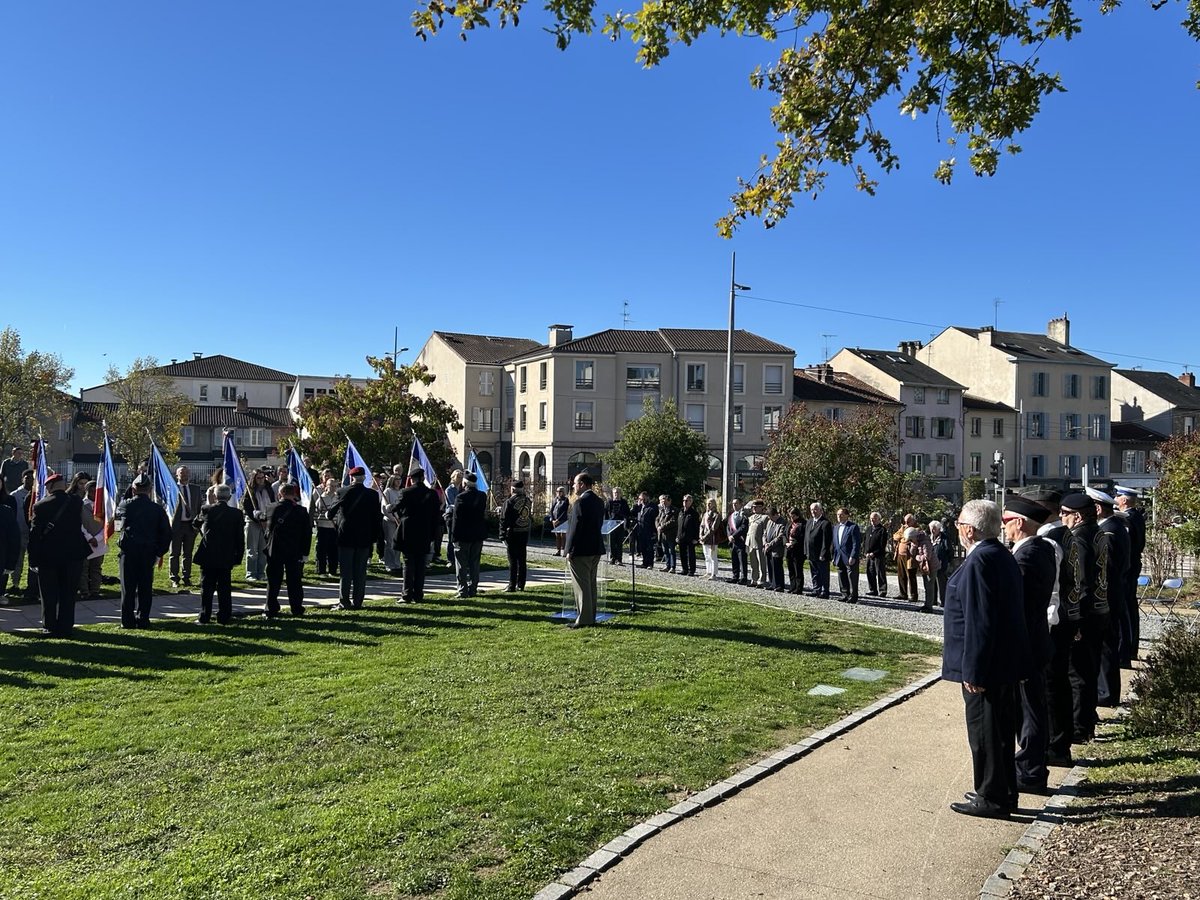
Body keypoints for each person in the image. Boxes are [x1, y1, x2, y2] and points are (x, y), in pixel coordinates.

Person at [943, 499, 1032, 819]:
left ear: (969, 529)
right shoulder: (999, 555)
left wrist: (974, 671)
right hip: (1003, 662)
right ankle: (1001, 790)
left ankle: (992, 796)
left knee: (986, 733)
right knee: (999, 732)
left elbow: (980, 621)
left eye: (958, 525)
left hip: (987, 666)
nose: (957, 531)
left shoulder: (982, 560)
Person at [1003, 496, 1059, 794]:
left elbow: (1019, 607)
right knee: (1031, 708)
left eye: (1005, 522)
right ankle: (1030, 765)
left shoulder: (1026, 556)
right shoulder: (1038, 549)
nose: (1004, 528)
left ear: (1019, 523)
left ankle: (1031, 771)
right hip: (1035, 641)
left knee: (1030, 711)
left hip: (1027, 644)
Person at [1057, 492, 1109, 746]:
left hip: (1086, 614)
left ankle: (1080, 726)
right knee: (1088, 669)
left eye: (1064, 514)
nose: (1061, 517)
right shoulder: (1097, 532)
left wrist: (1075, 618)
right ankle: (1087, 722)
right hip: (1100, 610)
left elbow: (1081, 582)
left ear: (1077, 516)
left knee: (1077, 673)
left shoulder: (1078, 538)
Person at [26, 473, 93, 637]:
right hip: (73, 555)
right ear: (63, 485)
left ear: (49, 487)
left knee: (49, 594)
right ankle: (66, 626)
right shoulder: (76, 502)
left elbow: (35, 535)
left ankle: (49, 625)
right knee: (69, 593)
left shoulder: (40, 506)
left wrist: (33, 558)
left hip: (48, 556)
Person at [115, 473, 172, 629]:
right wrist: (159, 553)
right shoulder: (157, 509)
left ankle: (127, 621)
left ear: (134, 489)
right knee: (145, 588)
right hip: (148, 552)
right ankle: (143, 619)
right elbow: (166, 534)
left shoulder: (125, 505)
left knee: (128, 588)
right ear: (149, 489)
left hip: (129, 552)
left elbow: (117, 524)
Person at [1090, 487, 1130, 711]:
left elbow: (1106, 570)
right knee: (1107, 645)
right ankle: (1106, 690)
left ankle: (1106, 692)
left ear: (1097, 508)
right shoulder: (1113, 528)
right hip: (1111, 595)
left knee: (1106, 646)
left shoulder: (1108, 533)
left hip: (1106, 597)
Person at [328, 466, 383, 609]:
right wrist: (375, 537)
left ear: (351, 478)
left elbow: (330, 514)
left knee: (346, 572)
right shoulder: (372, 494)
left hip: (346, 536)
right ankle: (358, 601)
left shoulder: (342, 491)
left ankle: (344, 601)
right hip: (365, 537)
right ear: (364, 478)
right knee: (360, 572)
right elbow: (377, 518)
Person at [391, 467, 442, 602]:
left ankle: (406, 594)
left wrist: (390, 507)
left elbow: (396, 507)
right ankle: (418, 594)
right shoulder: (431, 494)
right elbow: (436, 515)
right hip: (425, 531)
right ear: (423, 478)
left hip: (408, 532)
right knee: (421, 565)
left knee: (408, 564)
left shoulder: (406, 492)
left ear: (412, 479)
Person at [264, 483, 312, 618]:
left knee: (273, 581)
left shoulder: (271, 508)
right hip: (294, 550)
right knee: (295, 581)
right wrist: (305, 552)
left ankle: (271, 608)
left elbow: (268, 530)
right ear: (294, 494)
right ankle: (296, 608)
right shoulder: (301, 511)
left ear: (281, 494)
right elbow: (307, 534)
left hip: (276, 549)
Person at [564, 471, 605, 627]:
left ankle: (584, 619)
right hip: (595, 547)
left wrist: (568, 550)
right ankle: (591, 616)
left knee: (582, 587)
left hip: (581, 550)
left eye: (575, 483)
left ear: (582, 484)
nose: (573, 486)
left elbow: (575, 529)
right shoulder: (599, 501)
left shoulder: (580, 503)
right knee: (590, 586)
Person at [1114, 486, 1145, 664]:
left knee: (1125, 611)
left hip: (1128, 570)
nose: (1115, 499)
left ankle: (1126, 650)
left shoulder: (1128, 519)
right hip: (1132, 568)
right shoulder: (1136, 517)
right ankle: (1130, 648)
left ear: (1124, 500)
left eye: (1117, 496)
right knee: (1130, 610)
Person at [449, 472, 487, 598]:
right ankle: (473, 588)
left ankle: (462, 589)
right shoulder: (482, 496)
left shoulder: (460, 497)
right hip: (477, 534)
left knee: (461, 564)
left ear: (464, 483)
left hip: (463, 535)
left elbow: (456, 519)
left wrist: (453, 536)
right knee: (474, 563)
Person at [169, 465, 205, 589]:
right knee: (174, 553)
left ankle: (186, 577)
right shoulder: (172, 489)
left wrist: (198, 523)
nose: (184, 476)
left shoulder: (195, 489)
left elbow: (200, 507)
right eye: (181, 473)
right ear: (177, 475)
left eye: (186, 473)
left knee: (188, 554)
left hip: (191, 527)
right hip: (176, 526)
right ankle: (174, 578)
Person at [241, 468, 276, 582]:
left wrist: (268, 520)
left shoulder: (269, 489)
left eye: (262, 478)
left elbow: (272, 504)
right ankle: (251, 573)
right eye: (258, 478)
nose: (261, 480)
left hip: (267, 523)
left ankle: (261, 572)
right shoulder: (250, 491)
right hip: (253, 523)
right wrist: (258, 519)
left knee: (263, 550)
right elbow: (247, 508)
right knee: (252, 550)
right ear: (254, 479)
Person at [499, 479, 533, 592]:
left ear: (512, 489)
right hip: (524, 532)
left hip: (513, 533)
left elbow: (503, 520)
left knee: (513, 561)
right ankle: (521, 584)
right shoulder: (528, 500)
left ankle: (512, 585)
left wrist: (502, 535)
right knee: (522, 560)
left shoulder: (510, 502)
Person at [77, 479, 105, 601]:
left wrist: (98, 538)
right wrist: (89, 537)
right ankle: (84, 591)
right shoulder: (81, 505)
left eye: (96, 491)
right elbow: (79, 524)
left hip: (99, 541)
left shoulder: (103, 506)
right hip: (85, 541)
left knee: (96, 568)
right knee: (83, 568)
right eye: (91, 491)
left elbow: (107, 524)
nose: (94, 493)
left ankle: (95, 590)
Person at [7, 470, 33, 597]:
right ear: (22, 479)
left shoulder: (39, 494)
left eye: (32, 478)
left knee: (33, 561)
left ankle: (32, 586)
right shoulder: (15, 495)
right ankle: (15, 584)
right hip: (19, 532)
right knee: (18, 560)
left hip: (33, 533)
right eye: (27, 478)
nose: (29, 480)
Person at [832, 507, 861, 603]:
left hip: (849, 556)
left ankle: (853, 596)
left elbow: (856, 543)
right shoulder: (836, 527)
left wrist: (853, 556)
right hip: (839, 556)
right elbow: (835, 543)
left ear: (847, 515)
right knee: (841, 574)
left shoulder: (853, 527)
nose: (839, 516)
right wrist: (834, 556)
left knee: (852, 576)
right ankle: (844, 594)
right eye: (838, 515)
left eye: (841, 514)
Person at [804, 502, 833, 599]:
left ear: (821, 510)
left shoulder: (825, 523)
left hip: (821, 554)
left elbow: (826, 540)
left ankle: (825, 591)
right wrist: (806, 551)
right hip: (811, 553)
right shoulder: (809, 522)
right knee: (814, 572)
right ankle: (816, 589)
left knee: (823, 573)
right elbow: (806, 537)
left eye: (816, 509)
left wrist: (823, 553)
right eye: (812, 509)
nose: (813, 511)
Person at [312, 476, 340, 576]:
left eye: (335, 486)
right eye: (331, 486)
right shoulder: (321, 498)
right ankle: (321, 570)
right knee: (321, 550)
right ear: (326, 486)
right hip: (323, 527)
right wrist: (318, 523)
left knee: (333, 550)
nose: (333, 488)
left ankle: (333, 570)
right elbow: (316, 513)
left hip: (334, 527)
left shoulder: (338, 498)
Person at [381, 473, 405, 576]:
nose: (398, 481)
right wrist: (392, 518)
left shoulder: (402, 492)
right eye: (396, 480)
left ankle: (397, 563)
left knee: (398, 542)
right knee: (389, 542)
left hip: (400, 521)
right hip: (389, 521)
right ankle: (389, 564)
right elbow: (384, 508)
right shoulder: (387, 491)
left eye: (400, 479)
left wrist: (400, 519)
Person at [926, 520, 953, 608]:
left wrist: (948, 561)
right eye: (931, 529)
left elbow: (949, 550)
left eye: (934, 529)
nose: (932, 531)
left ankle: (943, 601)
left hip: (942, 563)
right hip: (931, 563)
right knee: (932, 582)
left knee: (942, 583)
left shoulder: (944, 538)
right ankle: (933, 600)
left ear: (938, 529)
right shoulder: (929, 537)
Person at [863, 511, 889, 597]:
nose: (872, 520)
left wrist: (874, 553)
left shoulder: (882, 530)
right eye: (871, 519)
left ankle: (883, 590)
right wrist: (866, 552)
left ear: (879, 519)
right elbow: (865, 541)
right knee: (870, 572)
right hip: (869, 555)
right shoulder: (869, 529)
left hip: (878, 555)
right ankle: (873, 589)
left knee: (880, 572)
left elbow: (882, 544)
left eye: (874, 519)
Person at [605, 487, 631, 565]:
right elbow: (606, 514)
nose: (616, 494)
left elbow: (627, 514)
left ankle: (619, 559)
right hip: (611, 525)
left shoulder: (624, 502)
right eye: (615, 492)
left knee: (619, 543)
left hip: (620, 524)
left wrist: (626, 524)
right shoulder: (609, 502)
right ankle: (612, 558)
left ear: (620, 493)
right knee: (612, 543)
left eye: (618, 492)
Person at [745, 499, 768, 587]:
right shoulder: (751, 517)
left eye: (756, 507)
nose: (754, 509)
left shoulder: (764, 517)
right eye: (753, 507)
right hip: (750, 542)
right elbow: (749, 531)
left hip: (759, 543)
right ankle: (754, 579)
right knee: (753, 563)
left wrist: (764, 542)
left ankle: (761, 580)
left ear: (761, 507)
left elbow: (765, 531)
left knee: (761, 562)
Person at [763, 506, 787, 591]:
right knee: (770, 566)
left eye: (771, 517)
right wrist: (765, 543)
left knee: (777, 567)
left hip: (777, 549)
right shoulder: (769, 522)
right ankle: (772, 584)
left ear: (776, 515)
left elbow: (780, 537)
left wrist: (770, 544)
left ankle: (779, 585)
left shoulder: (782, 522)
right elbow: (765, 533)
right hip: (768, 549)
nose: (770, 519)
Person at [726, 498, 749, 585]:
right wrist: (729, 536)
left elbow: (743, 528)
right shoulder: (731, 516)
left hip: (740, 541)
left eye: (736, 504)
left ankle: (743, 578)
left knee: (742, 560)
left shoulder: (744, 515)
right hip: (732, 542)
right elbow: (728, 527)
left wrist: (733, 536)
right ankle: (735, 576)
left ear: (740, 504)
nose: (734, 505)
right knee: (734, 559)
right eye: (733, 504)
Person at [892, 515, 915, 600]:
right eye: (905, 521)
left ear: (913, 521)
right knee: (901, 575)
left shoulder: (916, 529)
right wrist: (902, 536)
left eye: (908, 522)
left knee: (911, 575)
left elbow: (908, 539)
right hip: (900, 554)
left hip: (909, 556)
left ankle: (913, 595)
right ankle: (903, 593)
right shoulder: (903, 528)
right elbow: (895, 536)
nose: (906, 523)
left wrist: (902, 537)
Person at [699, 498, 722, 580]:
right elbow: (702, 525)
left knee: (713, 557)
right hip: (705, 539)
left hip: (712, 539)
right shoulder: (705, 514)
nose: (708, 505)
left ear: (714, 504)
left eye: (710, 503)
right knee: (707, 556)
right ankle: (708, 571)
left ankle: (714, 574)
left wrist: (705, 537)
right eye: (707, 503)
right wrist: (701, 535)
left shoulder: (717, 515)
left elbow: (713, 528)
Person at [677, 494, 700, 576]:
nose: (685, 502)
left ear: (691, 502)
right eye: (684, 500)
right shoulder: (680, 512)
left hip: (690, 538)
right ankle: (684, 569)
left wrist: (696, 538)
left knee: (691, 555)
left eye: (687, 501)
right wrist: (677, 536)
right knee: (682, 554)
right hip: (681, 537)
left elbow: (697, 526)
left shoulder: (694, 513)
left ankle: (691, 570)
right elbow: (679, 525)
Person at [785, 506, 806, 594]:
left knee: (798, 569)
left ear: (797, 515)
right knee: (791, 569)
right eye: (790, 516)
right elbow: (784, 533)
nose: (791, 518)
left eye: (793, 516)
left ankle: (798, 588)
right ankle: (792, 586)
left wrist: (794, 543)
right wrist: (786, 543)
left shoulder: (803, 524)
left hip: (798, 550)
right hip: (789, 549)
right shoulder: (790, 523)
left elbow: (803, 537)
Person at [635, 492, 658, 569]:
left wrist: (654, 531)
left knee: (649, 548)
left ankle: (650, 564)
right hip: (640, 530)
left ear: (647, 498)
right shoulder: (639, 507)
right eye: (641, 499)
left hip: (649, 530)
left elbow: (654, 517)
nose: (642, 500)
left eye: (643, 498)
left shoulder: (652, 507)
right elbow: (633, 513)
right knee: (643, 547)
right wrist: (636, 506)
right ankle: (644, 562)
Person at [656, 495, 678, 573]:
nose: (663, 502)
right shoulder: (662, 510)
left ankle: (673, 567)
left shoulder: (674, 510)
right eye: (662, 501)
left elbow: (673, 521)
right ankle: (667, 565)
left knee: (671, 550)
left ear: (669, 501)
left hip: (670, 534)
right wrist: (658, 526)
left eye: (665, 501)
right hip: (662, 534)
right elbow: (657, 519)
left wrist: (662, 527)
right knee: (665, 551)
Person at [549, 486, 570, 556]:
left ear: (563, 492)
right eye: (557, 491)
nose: (558, 493)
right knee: (557, 536)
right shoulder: (555, 499)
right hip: (554, 520)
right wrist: (552, 519)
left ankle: (564, 551)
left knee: (563, 536)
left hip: (562, 520)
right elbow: (551, 510)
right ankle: (558, 551)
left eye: (560, 491)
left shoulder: (566, 500)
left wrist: (558, 520)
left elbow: (564, 511)